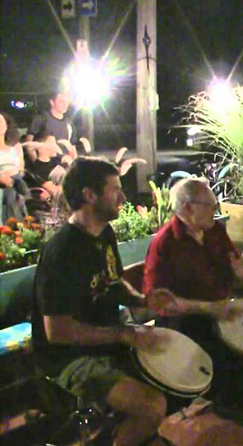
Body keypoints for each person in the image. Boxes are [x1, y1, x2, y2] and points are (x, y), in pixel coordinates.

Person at [31, 157, 178, 446]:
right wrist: (123, 334)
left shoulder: (104, 233)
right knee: (152, 406)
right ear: (89, 195)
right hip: (68, 358)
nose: (123, 197)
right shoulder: (62, 252)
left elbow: (113, 281)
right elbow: (56, 332)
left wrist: (143, 301)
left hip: (108, 338)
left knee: (172, 375)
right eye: (115, 190)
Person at [142, 177, 243, 429]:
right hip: (185, 320)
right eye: (209, 205)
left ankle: (227, 388)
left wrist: (242, 274)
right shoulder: (164, 244)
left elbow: (233, 271)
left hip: (219, 309)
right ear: (188, 208)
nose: (216, 210)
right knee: (220, 348)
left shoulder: (215, 232)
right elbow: (159, 302)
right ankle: (235, 392)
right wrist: (208, 309)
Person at [24, 89, 79, 163]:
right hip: (46, 164)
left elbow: (72, 147)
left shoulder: (69, 122)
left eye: (67, 102)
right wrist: (37, 163)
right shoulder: (41, 118)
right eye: (61, 101)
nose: (65, 104)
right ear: (52, 102)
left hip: (64, 164)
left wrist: (75, 165)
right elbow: (29, 142)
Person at [0, 112, 31, 218]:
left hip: (17, 182)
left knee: (16, 189)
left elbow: (21, 170)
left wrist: (14, 177)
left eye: (2, 121)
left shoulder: (16, 146)